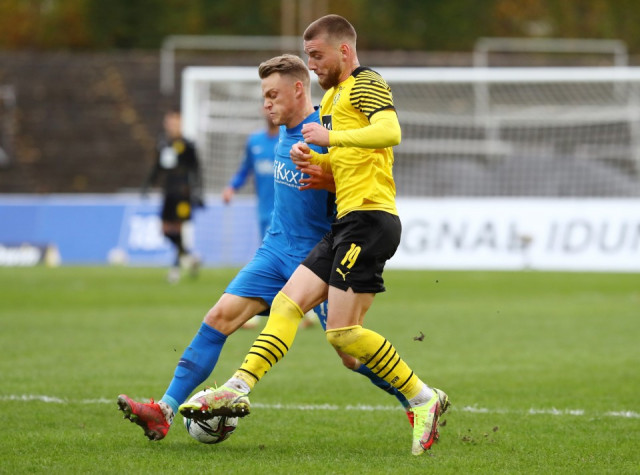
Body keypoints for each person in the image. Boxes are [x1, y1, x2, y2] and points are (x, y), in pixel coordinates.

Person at [179, 15, 450, 457]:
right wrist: (317, 163)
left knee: (343, 336)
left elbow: (391, 132)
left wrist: (329, 135)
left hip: (370, 219)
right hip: (346, 222)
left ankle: (423, 398)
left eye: (317, 56)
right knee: (287, 303)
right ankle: (236, 387)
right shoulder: (335, 97)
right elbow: (349, 160)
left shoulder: (365, 83)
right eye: (308, 57)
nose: (313, 65)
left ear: (344, 50)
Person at [118, 54, 412, 441]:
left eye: (273, 95)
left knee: (349, 353)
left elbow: (362, 178)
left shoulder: (326, 127)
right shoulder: (275, 137)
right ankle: (164, 410)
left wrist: (328, 177)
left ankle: (415, 400)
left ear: (298, 90)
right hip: (274, 251)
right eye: (264, 96)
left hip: (317, 258)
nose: (266, 104)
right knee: (218, 318)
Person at [142, 109, 203, 283]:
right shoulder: (163, 143)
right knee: (164, 230)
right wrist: (148, 184)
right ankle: (189, 257)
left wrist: (198, 191)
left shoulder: (188, 145)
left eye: (175, 122)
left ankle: (175, 269)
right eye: (169, 122)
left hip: (183, 193)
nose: (172, 126)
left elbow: (196, 169)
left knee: (178, 228)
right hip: (168, 192)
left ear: (181, 123)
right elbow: (158, 167)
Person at [222, 109, 279, 240]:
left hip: (285, 213)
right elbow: (245, 169)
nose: (271, 110)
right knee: (265, 246)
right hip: (263, 210)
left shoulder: (288, 140)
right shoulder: (254, 141)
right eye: (267, 106)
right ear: (262, 110)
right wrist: (231, 187)